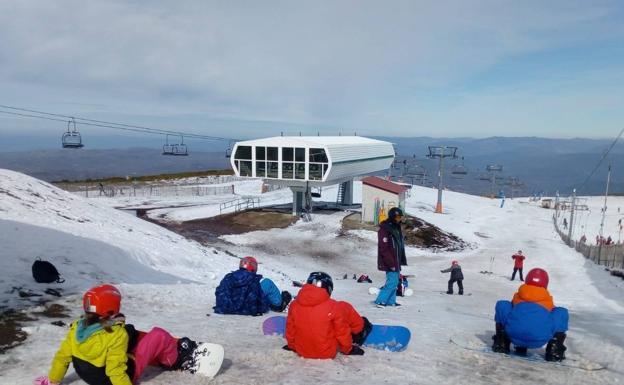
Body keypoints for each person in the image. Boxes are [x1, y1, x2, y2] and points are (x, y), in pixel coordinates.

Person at [34, 284, 199, 385]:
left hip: (87, 374)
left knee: (130, 331)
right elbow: (115, 371)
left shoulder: (77, 326)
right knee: (159, 334)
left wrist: (53, 380)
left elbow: (62, 357)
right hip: (110, 380)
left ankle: (140, 347)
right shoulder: (116, 335)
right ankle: (176, 359)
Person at [284, 272, 372, 359]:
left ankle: (358, 327)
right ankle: (360, 331)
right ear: (328, 288)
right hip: (326, 353)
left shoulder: (294, 305)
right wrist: (348, 349)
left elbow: (290, 329)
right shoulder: (335, 306)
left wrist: (291, 346)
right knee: (344, 309)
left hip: (302, 351)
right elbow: (342, 333)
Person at [492, 268, 569, 361]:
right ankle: (554, 350)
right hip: (539, 339)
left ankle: (502, 343)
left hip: (513, 335)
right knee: (561, 312)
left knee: (503, 305)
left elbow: (515, 313)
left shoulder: (519, 294)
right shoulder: (547, 298)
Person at [213, 256, 291, 315]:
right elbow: (260, 303)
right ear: (253, 267)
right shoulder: (254, 279)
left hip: (226, 307)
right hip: (246, 308)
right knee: (267, 283)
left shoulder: (228, 277)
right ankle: (280, 304)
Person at [375, 207, 407, 307]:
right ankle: (381, 300)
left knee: (395, 281)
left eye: (400, 217)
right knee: (392, 281)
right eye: (398, 217)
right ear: (393, 217)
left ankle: (390, 301)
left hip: (396, 260)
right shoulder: (385, 229)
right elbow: (383, 248)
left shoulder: (395, 228)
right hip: (390, 261)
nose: (399, 219)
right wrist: (391, 262)